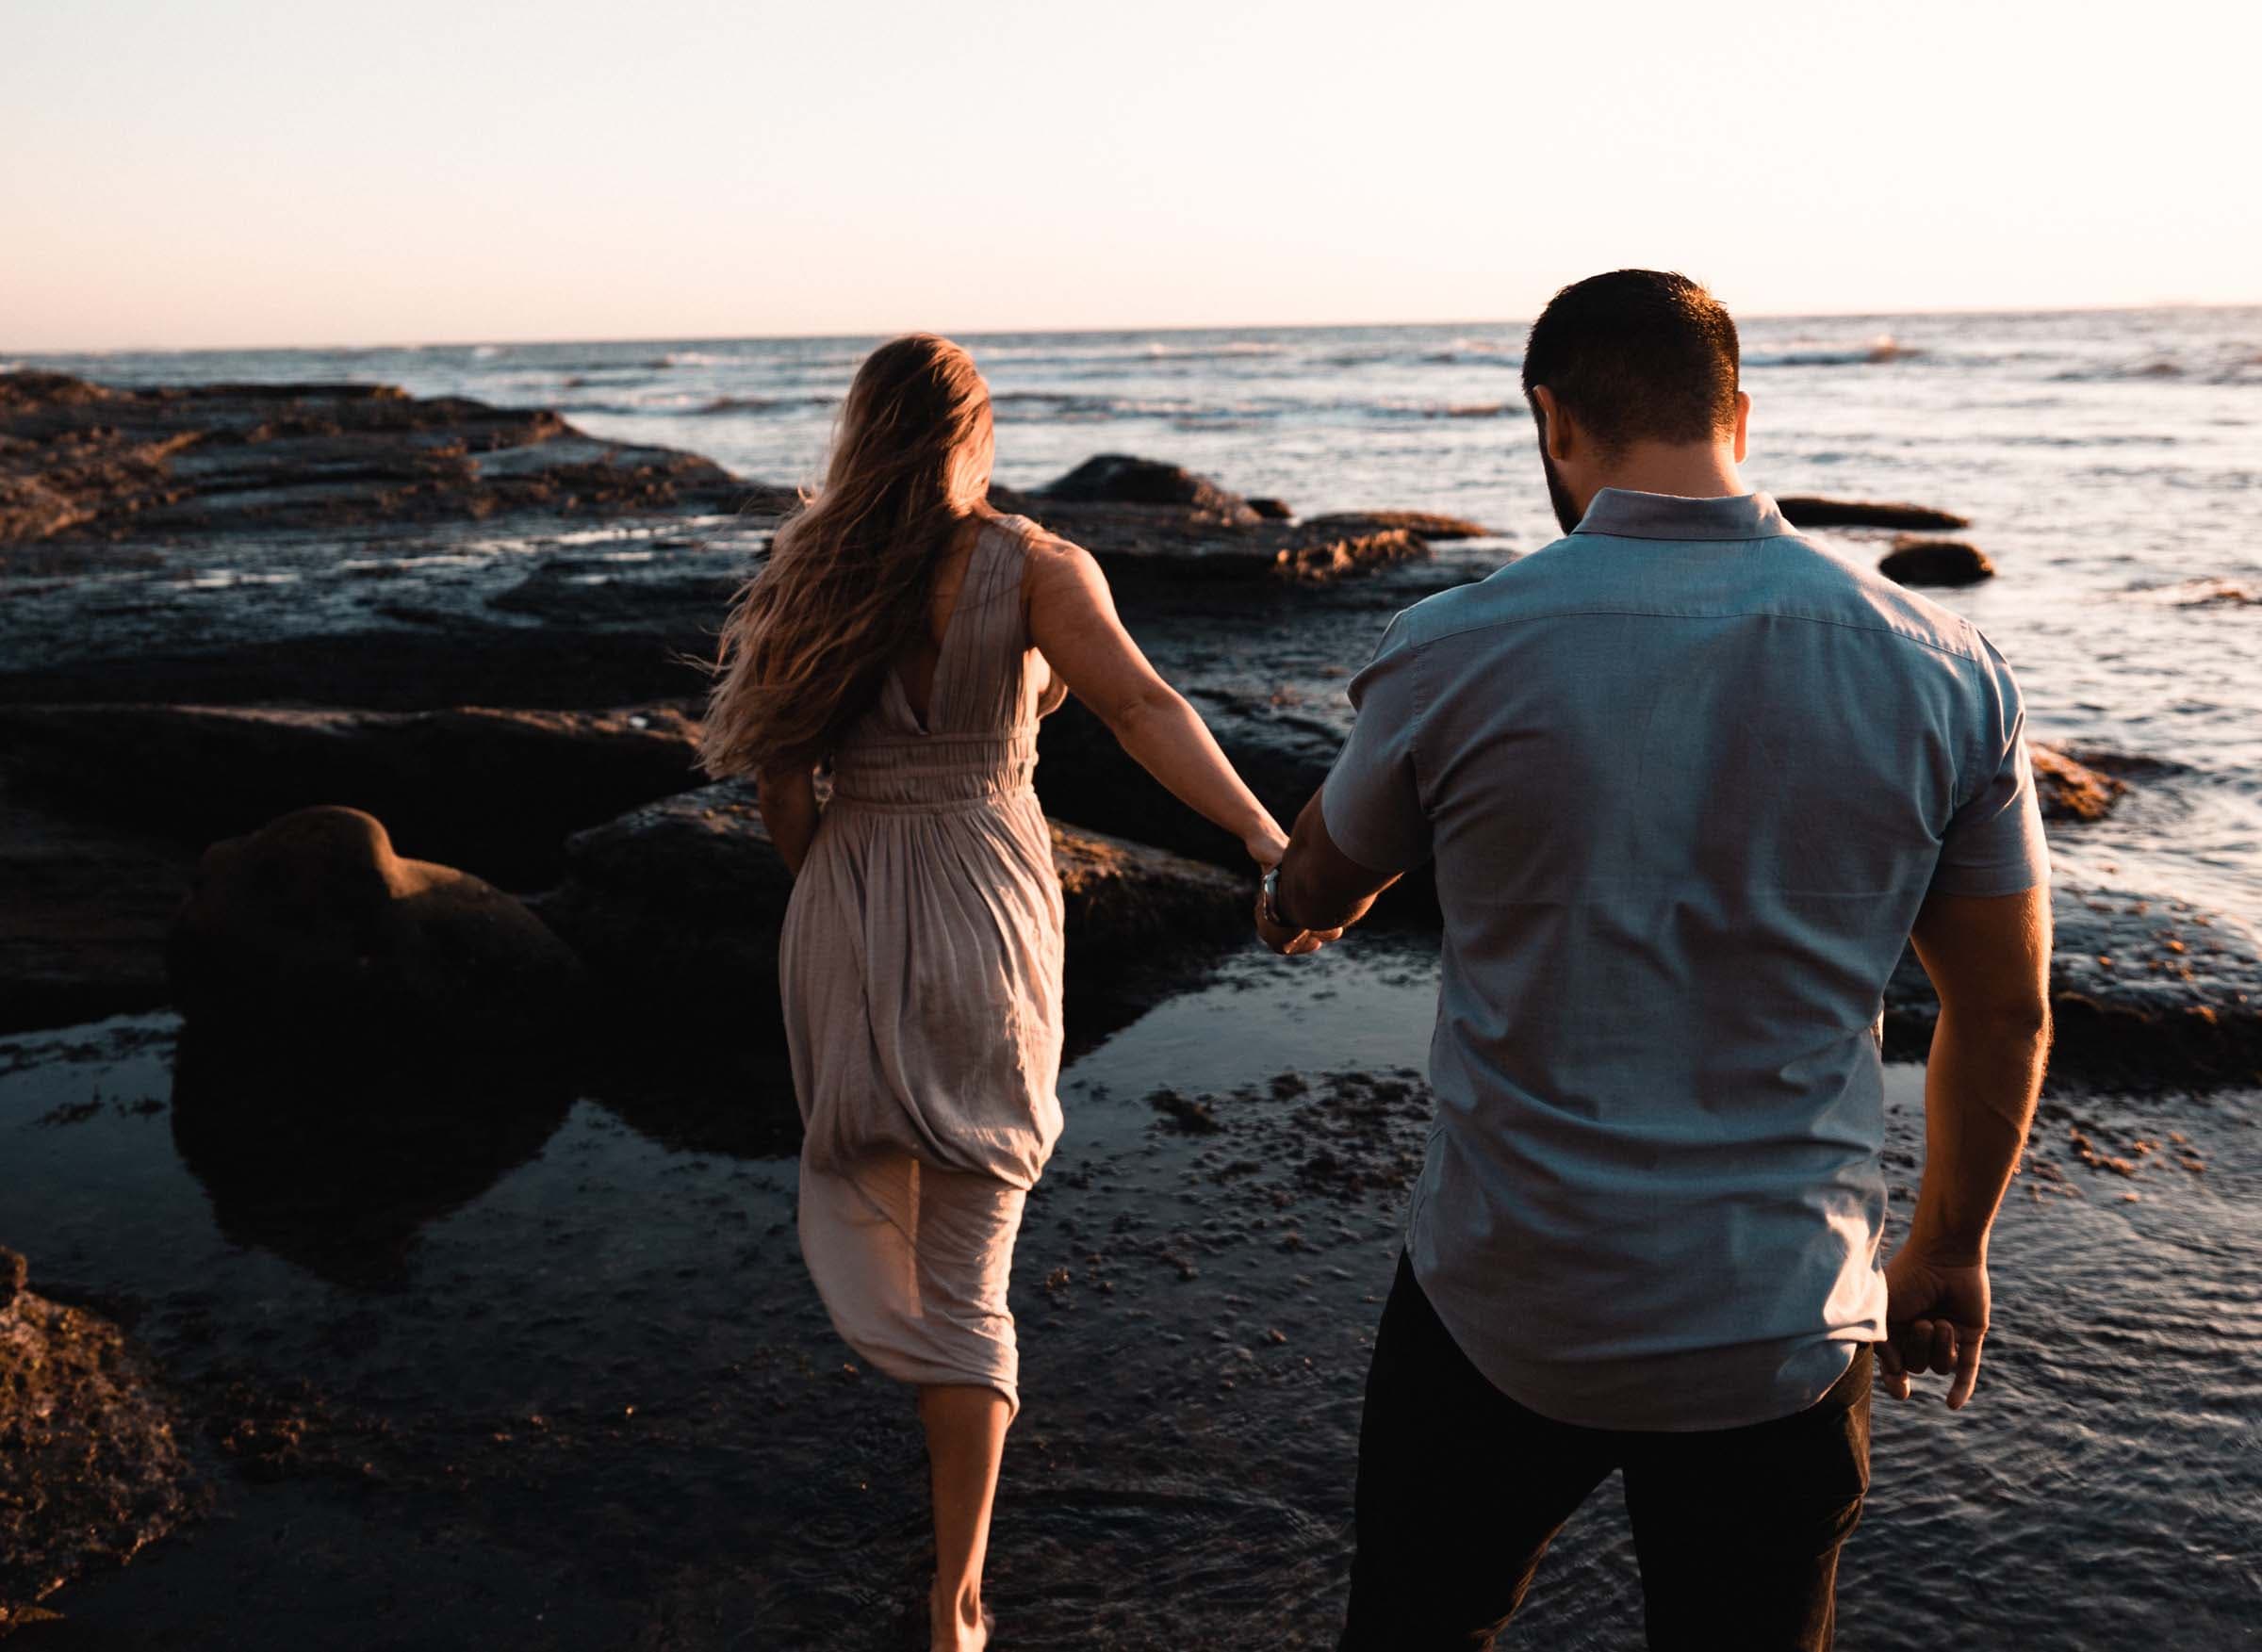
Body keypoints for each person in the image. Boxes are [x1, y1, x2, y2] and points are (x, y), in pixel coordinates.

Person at [1254, 270, 2054, 1650]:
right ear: (1739, 413)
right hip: (1782, 1319)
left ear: (1556, 423)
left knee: (1416, 1628)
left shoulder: (1451, 649)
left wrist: (1295, 893)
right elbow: (2008, 1003)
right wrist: (1950, 1245)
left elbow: (1326, 874)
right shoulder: (1947, 666)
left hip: (1506, 1300)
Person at [697, 334, 1294, 1652]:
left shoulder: (809, 570)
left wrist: (841, 895)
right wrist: (1262, 836)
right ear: (975, 432)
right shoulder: (1034, 567)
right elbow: (1141, 707)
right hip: (983, 895)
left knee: (869, 1168)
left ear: (861, 431)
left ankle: (927, 1416)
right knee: (974, 1242)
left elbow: (783, 794)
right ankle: (956, 1594)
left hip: (843, 899)